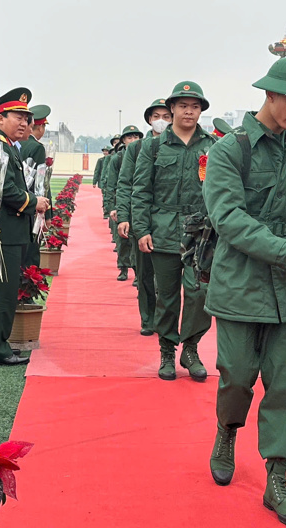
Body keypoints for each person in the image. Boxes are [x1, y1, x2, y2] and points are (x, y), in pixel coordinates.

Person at [204, 56, 286, 528]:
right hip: (241, 282)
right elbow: (228, 218)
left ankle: (277, 477)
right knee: (236, 375)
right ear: (271, 94)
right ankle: (226, 431)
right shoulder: (229, 150)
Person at [132, 82, 215, 381]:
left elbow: (220, 190)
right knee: (166, 296)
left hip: (201, 233)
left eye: (195, 106)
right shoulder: (153, 146)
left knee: (201, 291)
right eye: (183, 105)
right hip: (163, 230)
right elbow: (141, 190)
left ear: (201, 110)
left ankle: (190, 347)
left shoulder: (212, 146)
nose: (189, 111)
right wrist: (141, 228)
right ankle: (167, 350)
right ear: (172, 110)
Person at [0, 87, 51, 366]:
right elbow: (5, 190)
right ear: (0, 118)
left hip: (6, 228)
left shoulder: (5, 144)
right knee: (4, 293)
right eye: (17, 116)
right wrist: (34, 201)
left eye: (26, 118)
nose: (24, 123)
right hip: (5, 229)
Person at [117, 99, 172, 336]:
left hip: (171, 220)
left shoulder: (180, 145)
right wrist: (124, 216)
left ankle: (166, 320)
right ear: (149, 120)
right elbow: (126, 183)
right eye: (157, 116)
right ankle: (148, 318)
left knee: (169, 278)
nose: (162, 121)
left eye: (167, 116)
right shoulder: (136, 148)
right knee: (146, 273)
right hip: (144, 218)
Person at [106, 125, 144, 281]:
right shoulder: (118, 158)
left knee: (137, 240)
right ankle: (123, 268)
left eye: (136, 137)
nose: (133, 140)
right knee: (123, 239)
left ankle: (136, 271)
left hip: (139, 204)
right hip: (122, 203)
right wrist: (111, 207)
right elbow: (112, 184)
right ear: (123, 141)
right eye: (129, 137)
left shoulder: (145, 154)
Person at [20, 104, 51, 270]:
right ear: (39, 127)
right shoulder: (37, 147)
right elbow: (42, 184)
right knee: (32, 251)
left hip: (19, 204)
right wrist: (48, 213)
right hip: (33, 206)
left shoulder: (17, 144)